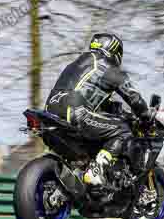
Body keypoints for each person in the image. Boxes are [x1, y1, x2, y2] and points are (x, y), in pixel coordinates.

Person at [44, 33, 155, 187]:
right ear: (114, 51)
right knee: (122, 129)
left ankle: (79, 172)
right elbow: (134, 98)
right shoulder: (107, 67)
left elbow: (94, 96)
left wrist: (119, 111)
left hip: (50, 110)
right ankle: (96, 170)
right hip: (75, 111)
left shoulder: (77, 64)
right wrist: (147, 117)